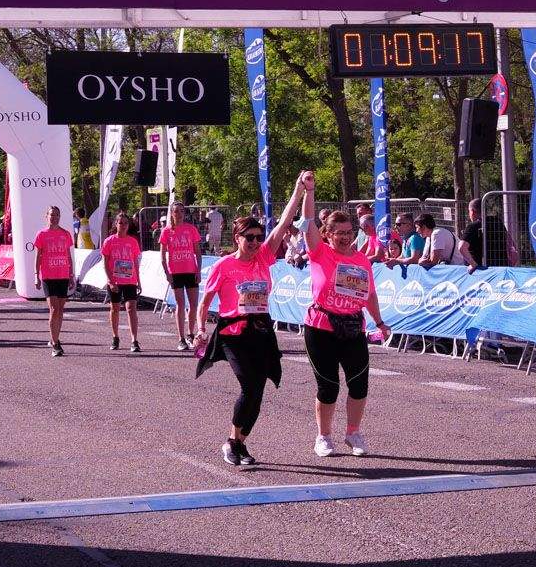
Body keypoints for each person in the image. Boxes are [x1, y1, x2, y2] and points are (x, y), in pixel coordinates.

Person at [193, 174, 307, 467]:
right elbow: (205, 302)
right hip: (233, 332)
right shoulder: (224, 265)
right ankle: (233, 443)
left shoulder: (265, 258)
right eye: (250, 238)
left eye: (259, 237)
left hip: (261, 331)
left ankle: (237, 444)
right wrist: (199, 330)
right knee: (249, 386)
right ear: (238, 239)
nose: (256, 242)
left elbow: (283, 224)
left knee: (259, 389)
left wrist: (298, 191)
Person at [299, 185, 390, 457]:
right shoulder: (319, 252)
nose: (346, 237)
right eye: (340, 233)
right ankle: (324, 436)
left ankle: (353, 432)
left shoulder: (361, 259)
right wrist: (310, 191)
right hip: (321, 327)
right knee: (328, 386)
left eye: (350, 232)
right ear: (327, 234)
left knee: (359, 383)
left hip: (353, 327)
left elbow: (369, 293)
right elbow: (307, 222)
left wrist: (379, 321)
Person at [160, 202, 203, 350]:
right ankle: (181, 338)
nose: (179, 214)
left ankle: (191, 334)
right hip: (175, 272)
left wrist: (198, 270)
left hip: (190, 270)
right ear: (172, 213)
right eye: (176, 211)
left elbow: (197, 252)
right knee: (180, 304)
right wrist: (167, 273)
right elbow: (162, 255)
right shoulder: (167, 231)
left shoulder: (191, 229)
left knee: (193, 304)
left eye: (181, 211)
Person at [33, 206, 75, 357]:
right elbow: (37, 256)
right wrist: (36, 275)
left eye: (56, 215)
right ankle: (56, 344)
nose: (54, 217)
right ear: (47, 216)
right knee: (54, 309)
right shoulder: (41, 234)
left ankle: (54, 337)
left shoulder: (65, 234)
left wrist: (71, 276)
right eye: (51, 215)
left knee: (61, 309)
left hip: (63, 275)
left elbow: (68, 256)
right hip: (48, 276)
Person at [100, 210, 142, 353]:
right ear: (116, 224)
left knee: (131, 308)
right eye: (120, 223)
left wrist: (139, 281)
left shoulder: (133, 241)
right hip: (115, 281)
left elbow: (136, 262)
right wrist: (110, 281)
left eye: (125, 223)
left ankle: (134, 340)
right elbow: (105, 263)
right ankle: (115, 337)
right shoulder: (109, 241)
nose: (123, 225)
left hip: (130, 280)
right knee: (115, 308)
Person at [460, 199, 485, 271]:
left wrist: (473, 264)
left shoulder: (472, 226)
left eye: (469, 211)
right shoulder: (497, 223)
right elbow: (512, 248)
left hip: (479, 271)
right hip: (499, 269)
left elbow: (461, 247)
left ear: (472, 212)